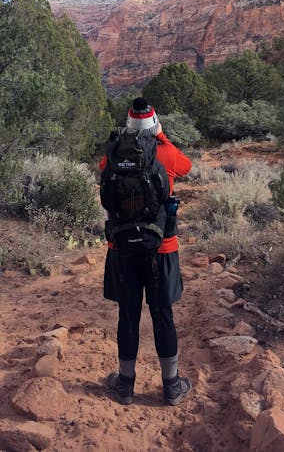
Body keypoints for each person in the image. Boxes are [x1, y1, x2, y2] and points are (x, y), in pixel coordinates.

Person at [100, 97, 192, 406]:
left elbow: (103, 173)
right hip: (161, 248)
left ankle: (125, 385)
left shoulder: (113, 155)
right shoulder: (164, 152)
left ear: (128, 127)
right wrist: (161, 137)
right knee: (162, 313)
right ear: (155, 125)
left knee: (128, 315)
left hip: (122, 248)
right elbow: (187, 166)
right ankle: (171, 385)